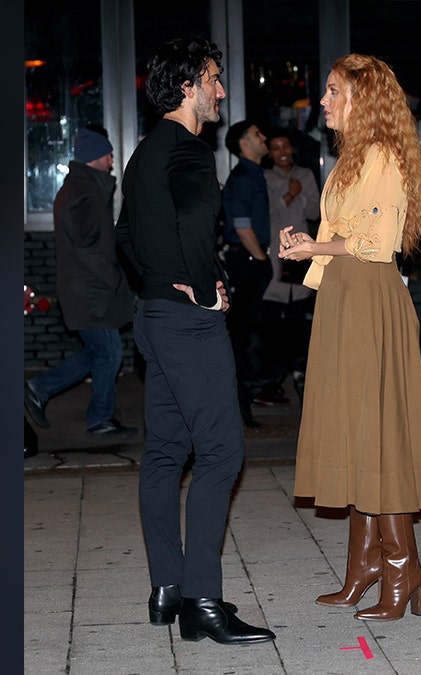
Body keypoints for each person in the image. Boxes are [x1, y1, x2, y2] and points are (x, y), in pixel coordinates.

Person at [114, 36, 275, 645]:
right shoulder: (187, 152)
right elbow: (189, 226)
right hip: (187, 322)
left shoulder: (144, 153)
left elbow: (125, 235)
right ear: (187, 87)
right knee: (221, 453)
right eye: (213, 79)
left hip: (153, 317)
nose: (221, 91)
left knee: (163, 453)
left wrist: (161, 283)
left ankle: (166, 589)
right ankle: (203, 603)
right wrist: (208, 287)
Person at [277, 54, 421, 622]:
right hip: (344, 298)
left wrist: (312, 248)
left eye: (331, 92)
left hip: (370, 298)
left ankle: (402, 568)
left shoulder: (383, 158)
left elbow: (377, 243)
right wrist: (308, 243)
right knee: (353, 430)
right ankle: (363, 566)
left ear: (361, 100)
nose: (321, 101)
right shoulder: (350, 157)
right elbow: (344, 232)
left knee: (377, 433)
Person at [24, 126, 138, 440]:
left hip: (86, 288)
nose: (112, 161)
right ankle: (93, 414)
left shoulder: (81, 186)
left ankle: (43, 390)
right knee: (109, 353)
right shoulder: (86, 189)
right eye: (109, 154)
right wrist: (113, 278)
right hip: (91, 289)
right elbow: (89, 245)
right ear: (95, 157)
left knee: (100, 353)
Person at [221, 120, 284, 422]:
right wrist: (261, 261)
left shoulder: (255, 175)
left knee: (254, 332)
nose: (264, 138)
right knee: (247, 335)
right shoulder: (244, 178)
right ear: (244, 144)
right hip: (247, 263)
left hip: (251, 260)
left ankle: (255, 393)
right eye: (258, 134)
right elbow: (241, 226)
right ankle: (242, 400)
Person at [261, 130, 321, 401]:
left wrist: (300, 195)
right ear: (269, 152)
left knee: (297, 313)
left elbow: (315, 213)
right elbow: (268, 213)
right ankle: (272, 376)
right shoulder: (265, 177)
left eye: (285, 146)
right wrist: (290, 195)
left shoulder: (306, 174)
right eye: (275, 147)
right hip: (274, 254)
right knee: (273, 316)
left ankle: (299, 369)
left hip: (299, 251)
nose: (282, 151)